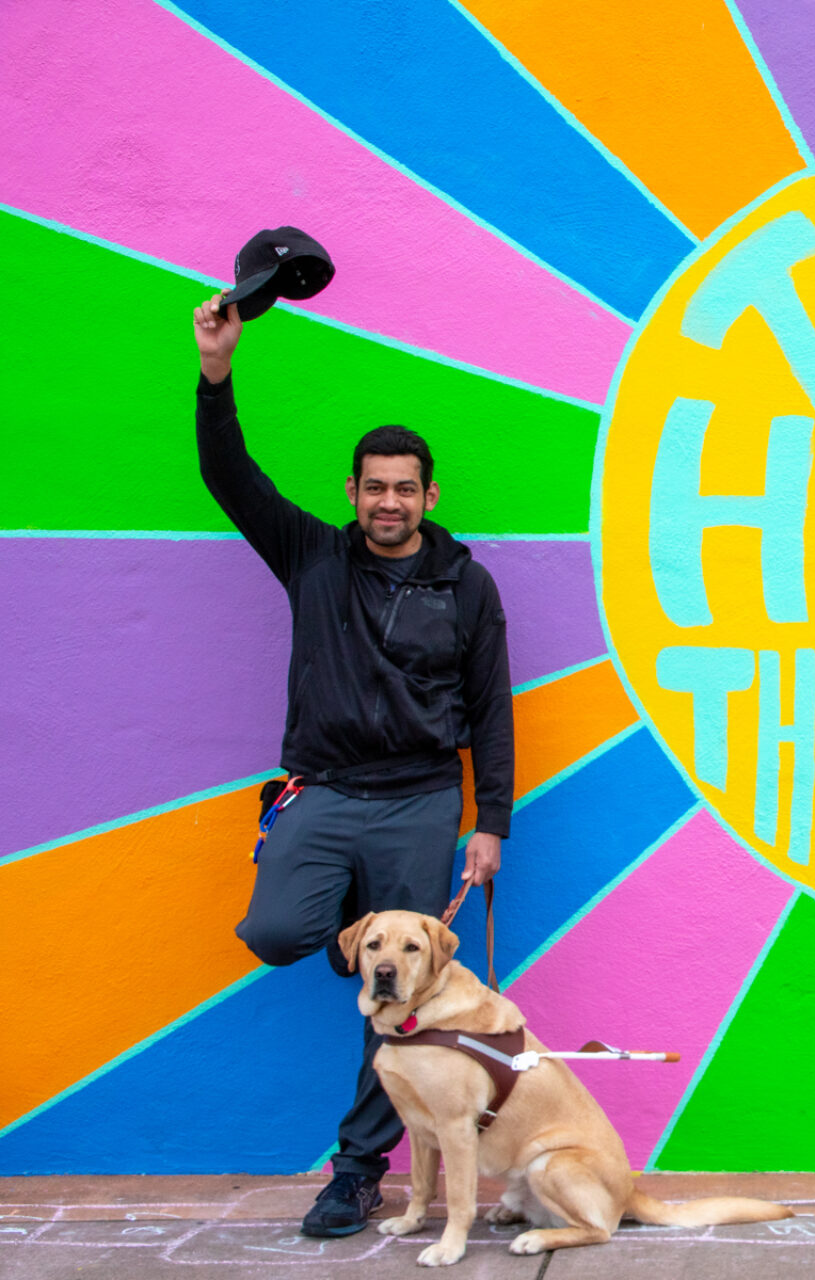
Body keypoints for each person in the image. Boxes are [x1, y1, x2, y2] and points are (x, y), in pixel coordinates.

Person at [191, 293, 514, 1237]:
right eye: (373, 486)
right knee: (278, 928)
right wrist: (218, 371)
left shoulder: (466, 585)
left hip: (419, 802)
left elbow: (491, 708)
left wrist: (488, 821)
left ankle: (357, 1169)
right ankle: (360, 940)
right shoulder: (312, 558)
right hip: (324, 791)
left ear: (428, 497)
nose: (388, 501)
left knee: (403, 995)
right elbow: (230, 477)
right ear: (353, 493)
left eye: (404, 488)